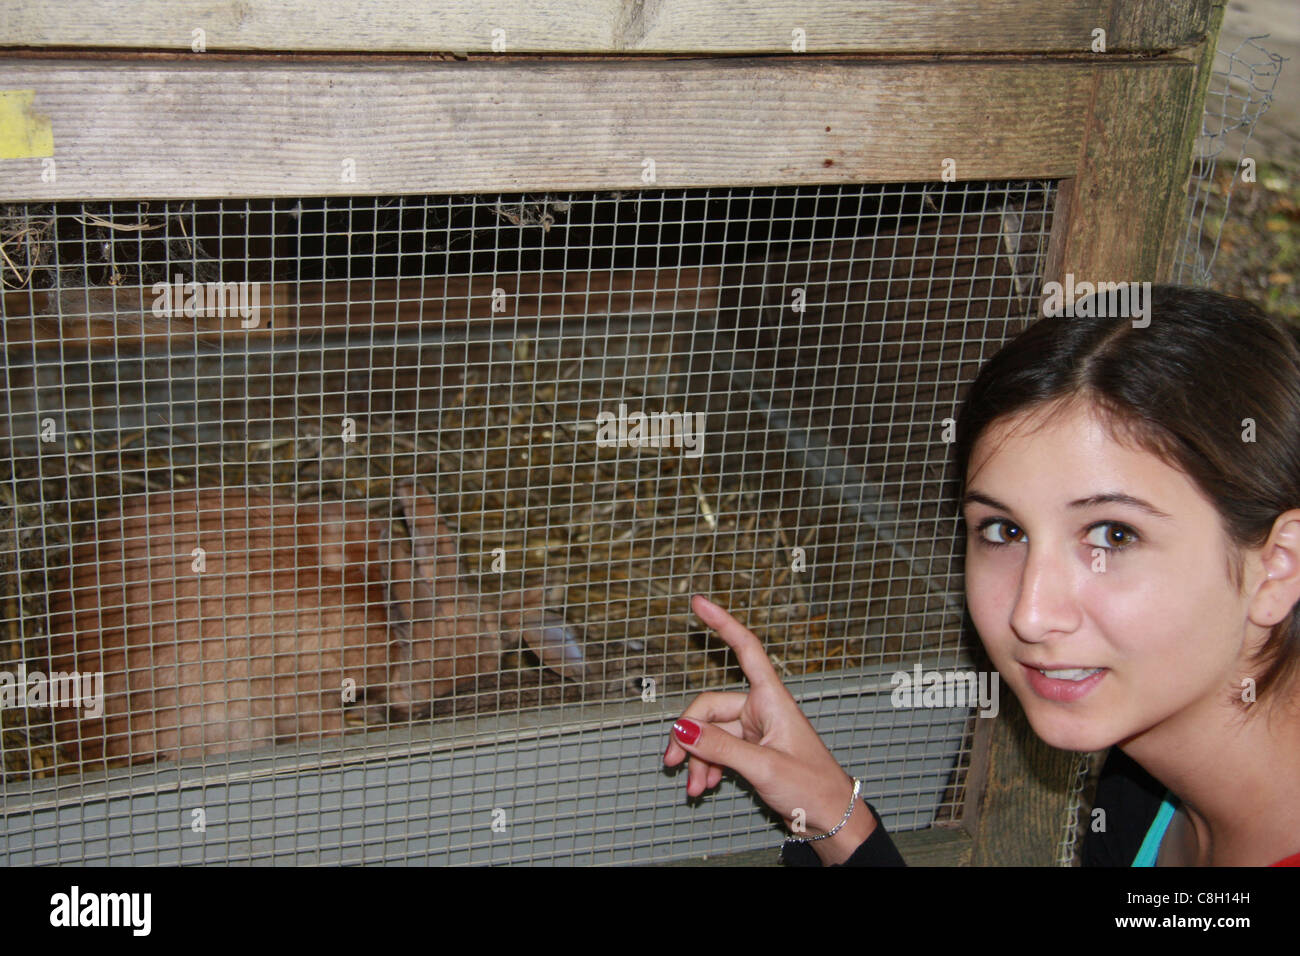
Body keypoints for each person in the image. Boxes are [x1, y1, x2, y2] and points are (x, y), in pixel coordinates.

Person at [663, 285, 1300, 866]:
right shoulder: (1142, 782)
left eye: (1114, 534)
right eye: (1005, 531)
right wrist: (836, 815)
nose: (1029, 612)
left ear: (1279, 566)